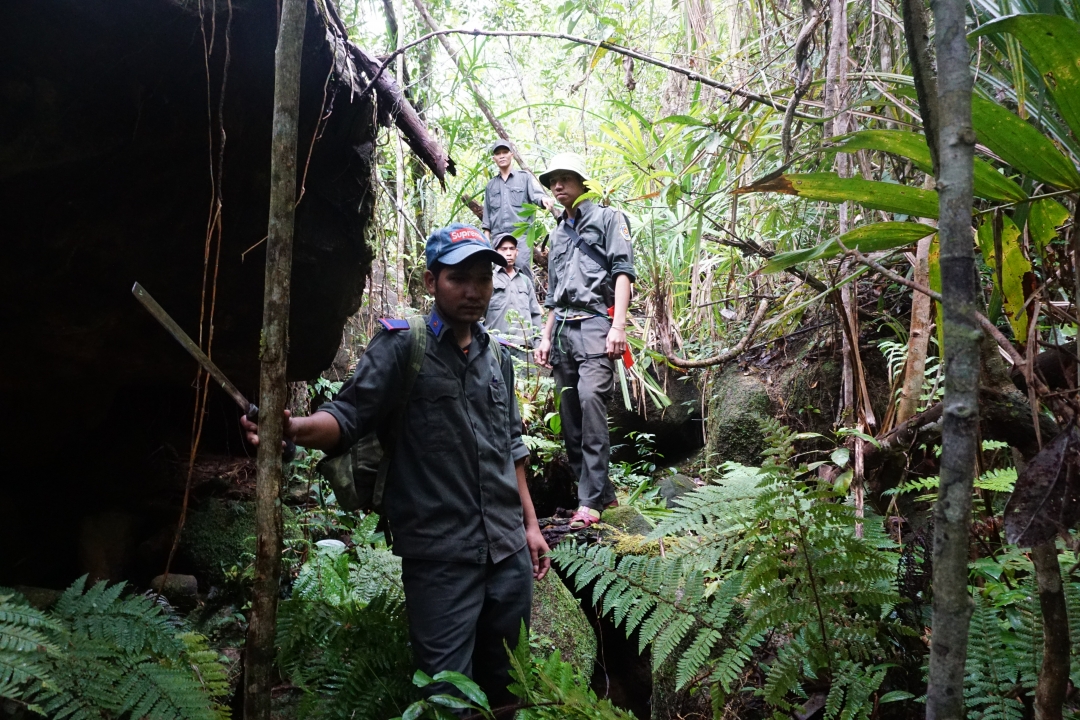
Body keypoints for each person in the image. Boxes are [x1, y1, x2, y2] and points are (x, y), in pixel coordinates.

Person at [241, 223, 550, 708]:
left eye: (483, 279)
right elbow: (346, 418)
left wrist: (531, 527)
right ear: (431, 283)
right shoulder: (403, 346)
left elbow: (511, 444)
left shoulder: (498, 358)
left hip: (508, 555)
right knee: (450, 696)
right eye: (458, 279)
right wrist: (294, 429)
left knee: (509, 690)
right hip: (440, 558)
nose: (474, 291)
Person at [534, 153, 635, 530]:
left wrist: (618, 327)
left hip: (595, 325)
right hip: (562, 331)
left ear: (583, 181)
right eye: (552, 180)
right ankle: (600, 492)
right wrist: (545, 337)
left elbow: (623, 273)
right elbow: (554, 294)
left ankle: (588, 502)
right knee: (571, 416)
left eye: (565, 178)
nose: (557, 185)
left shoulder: (609, 219)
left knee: (592, 403)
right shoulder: (558, 232)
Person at [481, 139, 553, 275]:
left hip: (521, 236)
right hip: (498, 237)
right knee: (500, 275)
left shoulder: (524, 178)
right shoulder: (491, 185)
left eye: (505, 152)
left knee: (523, 271)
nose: (501, 156)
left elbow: (536, 196)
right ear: (494, 158)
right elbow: (487, 217)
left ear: (511, 154)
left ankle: (528, 297)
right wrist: (486, 241)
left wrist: (544, 200)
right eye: (498, 153)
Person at [485, 233, 543, 354]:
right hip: (496, 345)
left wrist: (538, 343)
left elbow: (535, 314)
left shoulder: (525, 280)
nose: (508, 253)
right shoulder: (488, 279)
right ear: (495, 252)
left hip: (523, 347)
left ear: (517, 252)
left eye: (512, 249)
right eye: (503, 249)